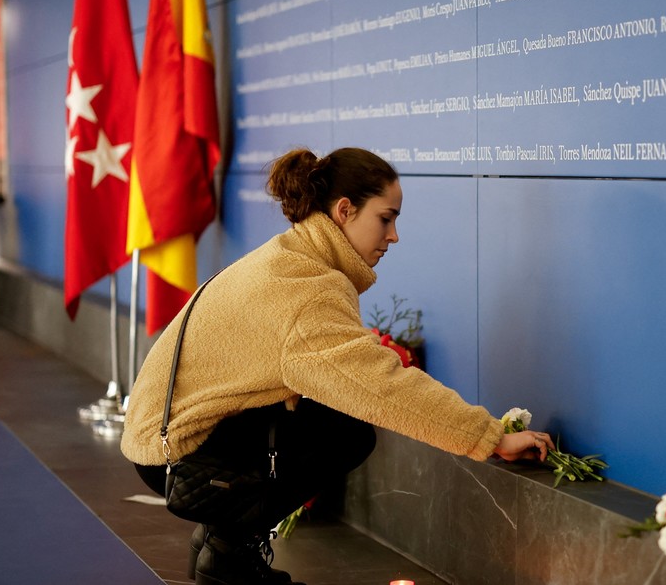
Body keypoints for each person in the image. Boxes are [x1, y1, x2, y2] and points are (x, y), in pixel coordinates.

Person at [121, 147, 554, 585]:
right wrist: (490, 436)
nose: (394, 235)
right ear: (345, 210)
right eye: (386, 218)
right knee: (344, 433)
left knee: (320, 419)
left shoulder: (291, 256)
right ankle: (230, 556)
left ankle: (219, 540)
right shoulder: (308, 290)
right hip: (176, 451)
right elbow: (385, 389)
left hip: (164, 431)